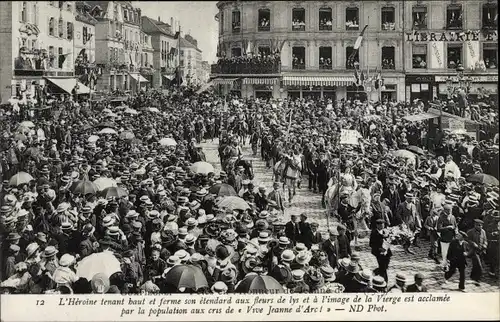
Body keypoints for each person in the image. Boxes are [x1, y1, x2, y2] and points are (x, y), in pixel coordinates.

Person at [466, 219, 488, 286]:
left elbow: (485, 240)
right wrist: (473, 243)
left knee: (476, 264)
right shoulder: (470, 232)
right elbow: (467, 240)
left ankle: (472, 275)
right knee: (479, 265)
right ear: (475, 225)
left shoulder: (483, 232)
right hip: (473, 251)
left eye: (481, 225)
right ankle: (477, 280)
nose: (480, 227)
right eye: (478, 225)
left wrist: (485, 244)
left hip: (481, 251)